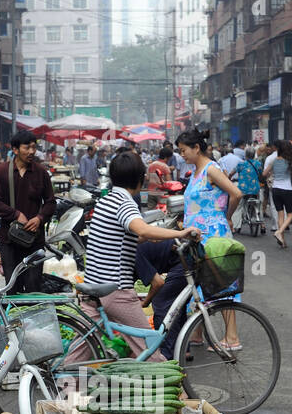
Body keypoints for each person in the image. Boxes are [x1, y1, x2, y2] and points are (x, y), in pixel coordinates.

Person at [68, 150, 199, 364]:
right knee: (149, 350)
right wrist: (180, 233)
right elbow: (142, 229)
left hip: (93, 287)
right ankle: (176, 395)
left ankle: (62, 389)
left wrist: (150, 237)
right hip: (115, 291)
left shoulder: (106, 200)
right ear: (139, 178)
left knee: (79, 353)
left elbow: (121, 238)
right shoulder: (125, 202)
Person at [178, 128, 244, 350]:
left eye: (184, 150)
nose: (182, 155)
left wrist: (224, 217)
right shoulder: (196, 172)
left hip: (214, 235)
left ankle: (232, 337)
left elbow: (236, 194)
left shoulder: (211, 170)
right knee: (198, 283)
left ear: (197, 148)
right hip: (198, 237)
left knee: (222, 284)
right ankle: (196, 332)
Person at [0, 130, 55, 294]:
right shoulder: (3, 171)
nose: (32, 151)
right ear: (16, 150)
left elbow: (50, 202)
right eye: (27, 147)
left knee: (34, 287)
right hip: (10, 241)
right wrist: (16, 214)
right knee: (11, 287)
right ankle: (13, 320)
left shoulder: (41, 173)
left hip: (35, 241)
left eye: (34, 147)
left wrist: (39, 219)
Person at [264, 139, 292, 248]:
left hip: (275, 189)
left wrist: (273, 172)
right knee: (290, 214)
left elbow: (264, 173)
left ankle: (282, 240)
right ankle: (280, 232)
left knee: (280, 214)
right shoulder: (289, 161)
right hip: (286, 189)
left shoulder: (273, 160)